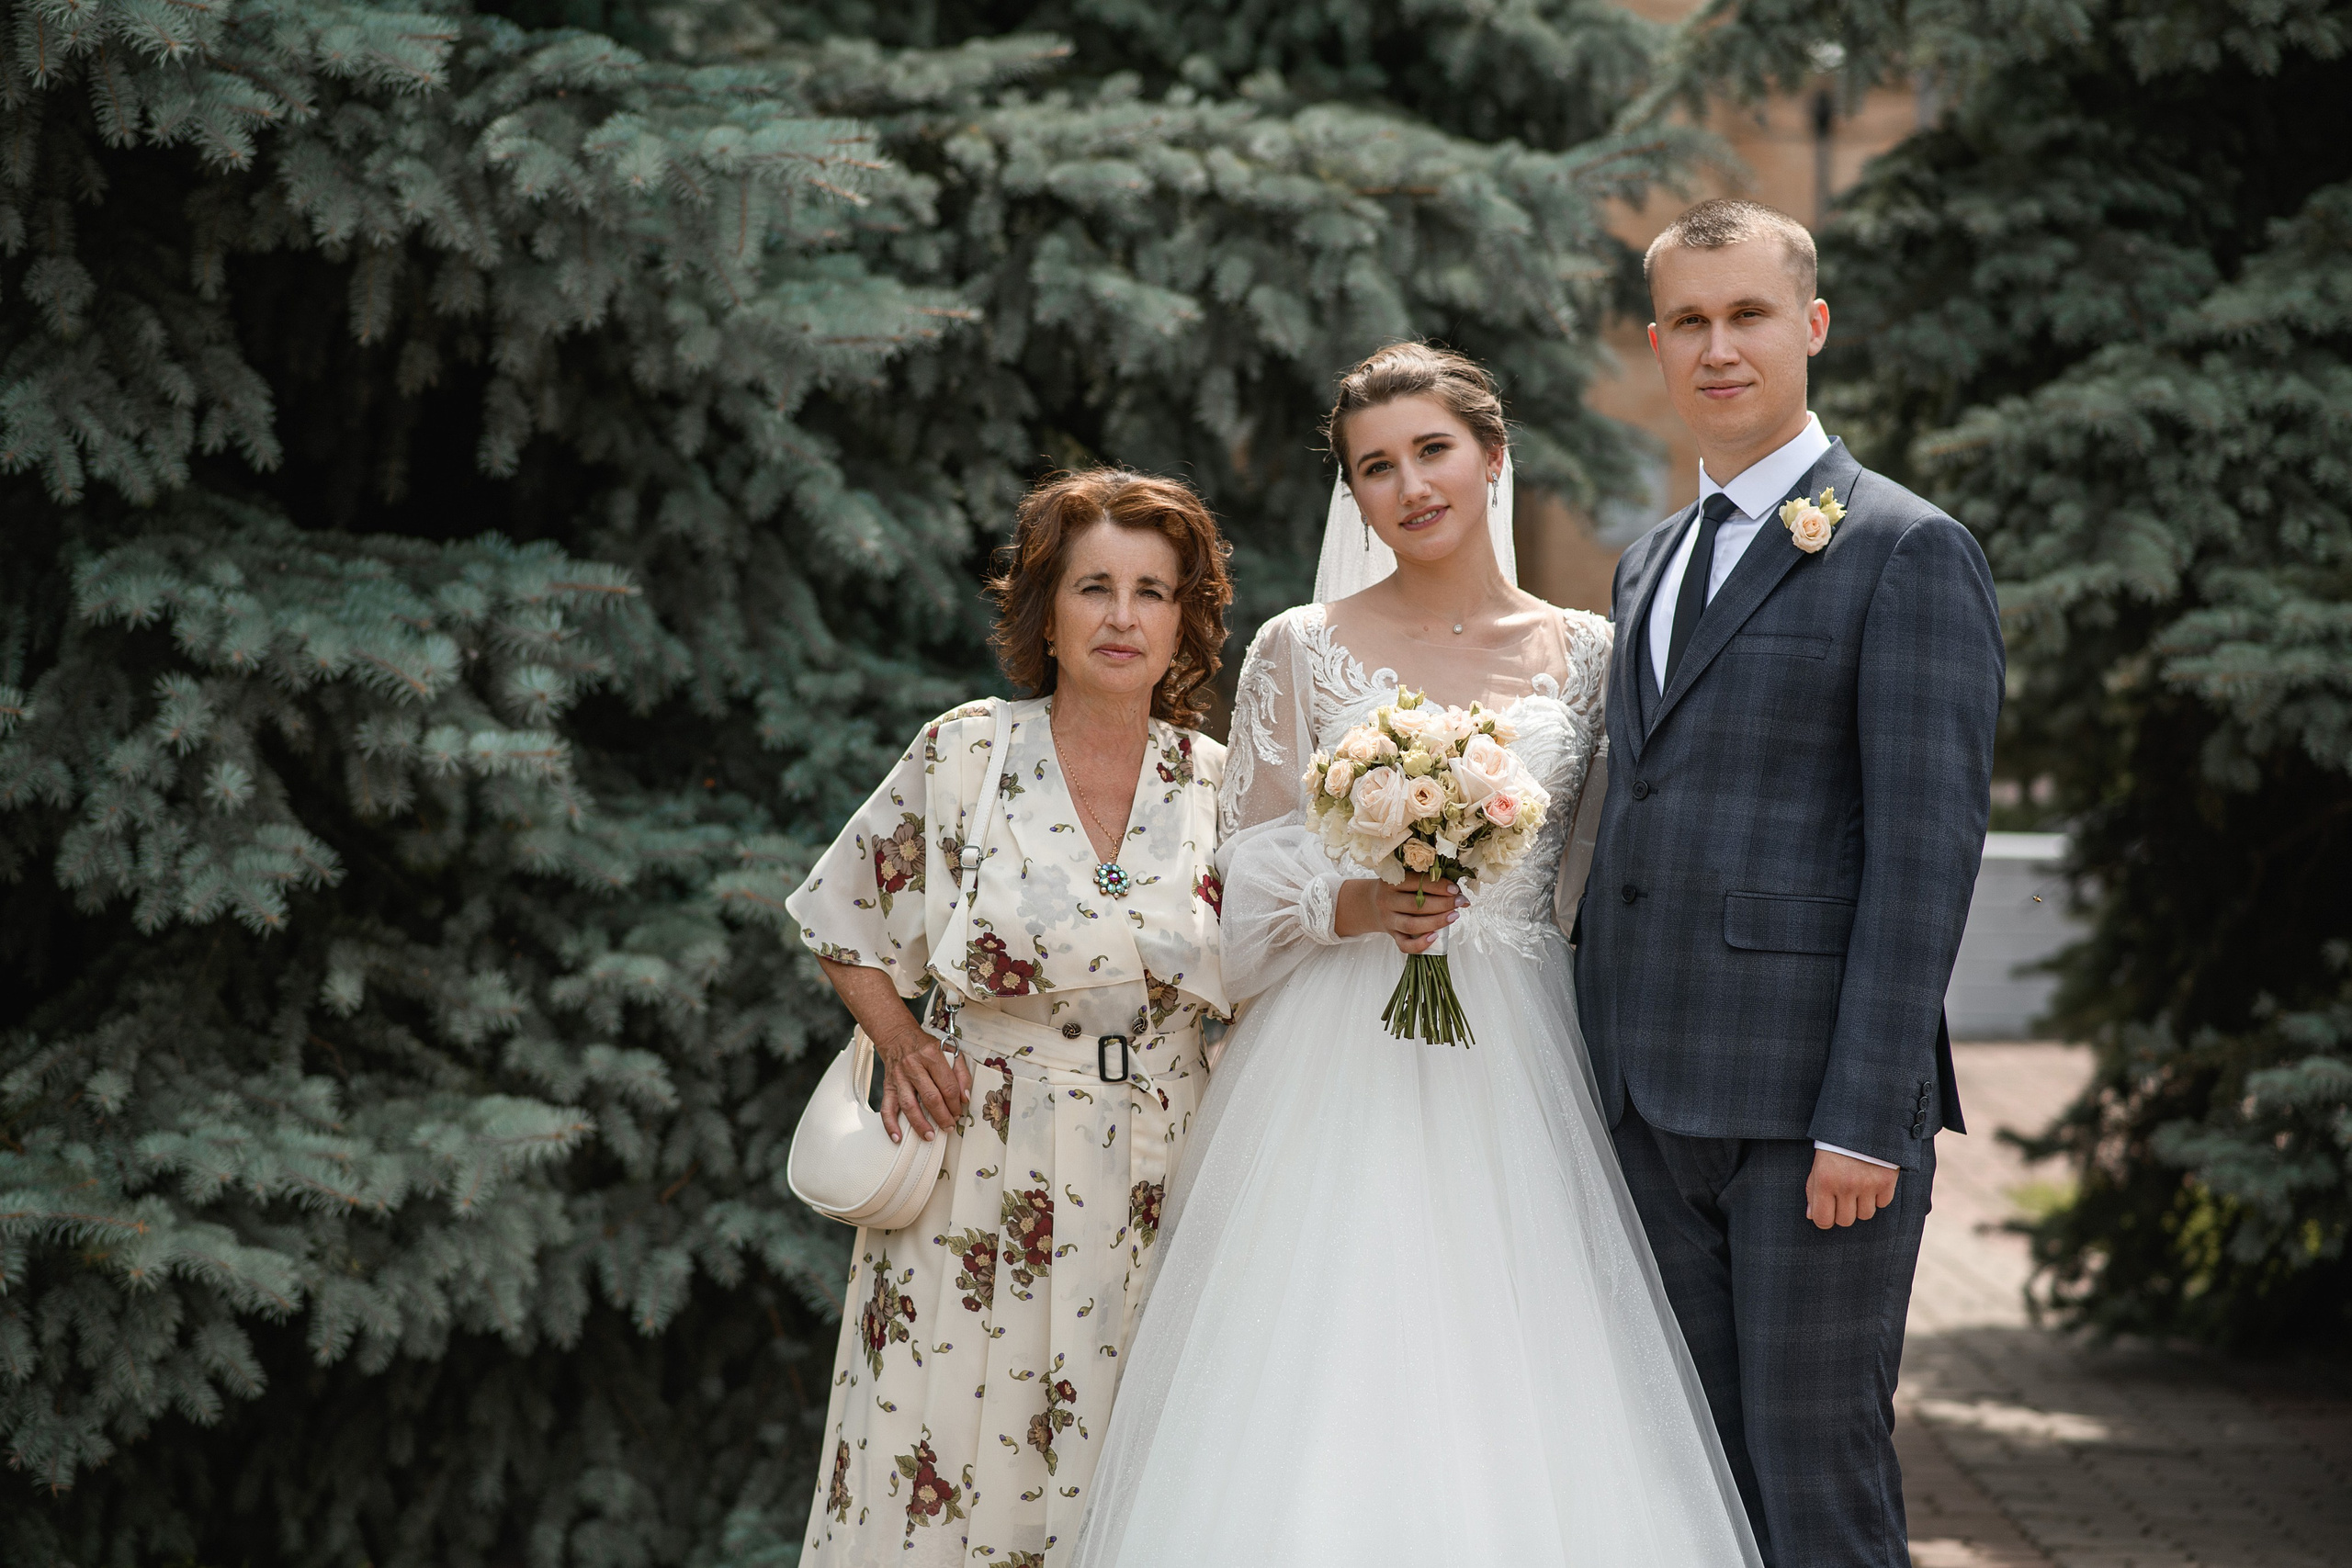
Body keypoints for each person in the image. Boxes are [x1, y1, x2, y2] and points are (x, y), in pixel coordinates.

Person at [1071, 344, 1760, 1567]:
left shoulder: (1591, 652)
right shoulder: (1300, 645)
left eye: (1432, 451)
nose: (1409, 485)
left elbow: (1605, 870)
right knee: (1330, 1355)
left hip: (1527, 1046)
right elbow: (1235, 885)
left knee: (1524, 1363)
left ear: (1493, 457)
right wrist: (1352, 900)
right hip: (1339, 1050)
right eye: (1374, 467)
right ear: (1355, 494)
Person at [1574, 198, 2005, 1567]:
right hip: (1645, 1102)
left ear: (1810, 325)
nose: (1718, 346)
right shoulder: (1646, 561)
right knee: (1691, 1484)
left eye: (1748, 313)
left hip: (1811, 1118)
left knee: (1816, 1484)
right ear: (1656, 344)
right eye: (1689, 321)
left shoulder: (1903, 548)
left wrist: (1866, 1121)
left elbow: (1923, 857)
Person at [785, 469, 1235, 1568]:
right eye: (1093, 588)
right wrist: (900, 1039)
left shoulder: (1222, 783)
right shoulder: (966, 753)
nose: (1123, 618)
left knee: (1139, 1461)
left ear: (1185, 617)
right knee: (944, 1454)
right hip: (979, 1169)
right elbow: (839, 913)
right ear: (1046, 609)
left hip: (1166, 1173)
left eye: (1151, 591)